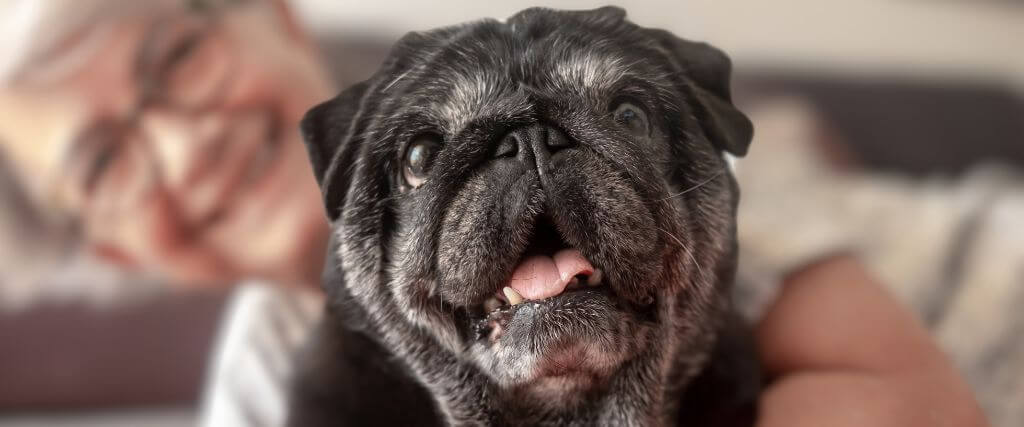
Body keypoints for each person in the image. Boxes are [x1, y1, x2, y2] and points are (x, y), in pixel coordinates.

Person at [0, 0, 335, 305]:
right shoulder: (258, 368)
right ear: (112, 251)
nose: (185, 152)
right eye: (103, 162)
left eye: (178, 55)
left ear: (280, 17)